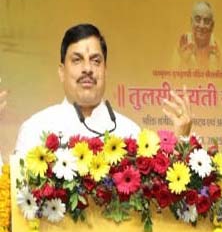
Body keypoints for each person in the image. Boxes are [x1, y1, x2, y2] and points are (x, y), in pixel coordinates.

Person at [15, 24, 191, 156]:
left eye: (96, 61)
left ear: (105, 71)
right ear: (61, 72)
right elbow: (14, 191)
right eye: (77, 60)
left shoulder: (130, 134)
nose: (88, 69)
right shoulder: (35, 129)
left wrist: (180, 141)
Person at [173, 0, 222, 70]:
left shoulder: (219, 49)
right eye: (197, 19)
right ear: (191, 22)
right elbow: (170, 73)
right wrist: (183, 61)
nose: (201, 26)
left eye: (206, 21)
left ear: (212, 25)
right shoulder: (182, 44)